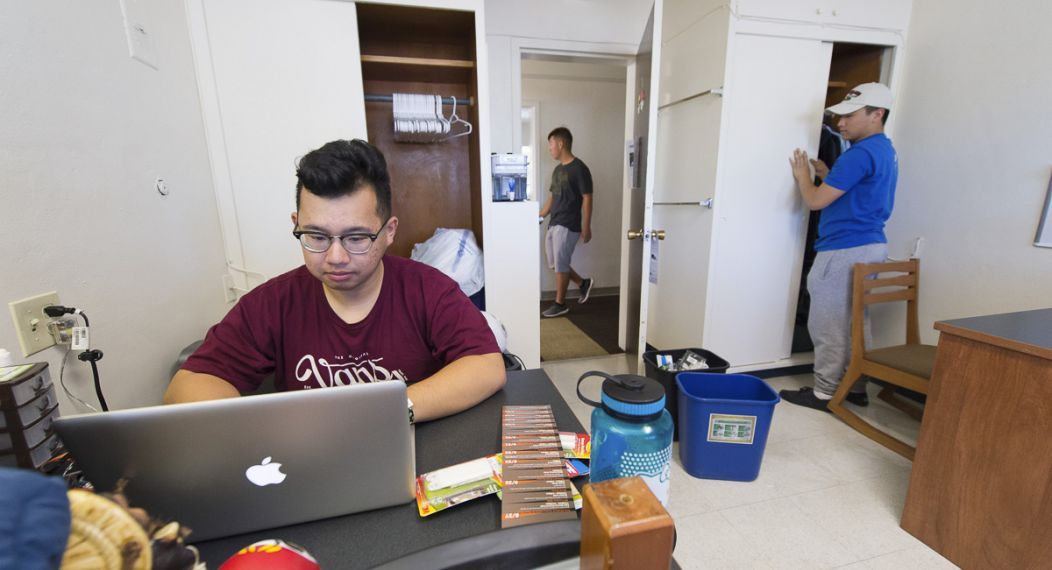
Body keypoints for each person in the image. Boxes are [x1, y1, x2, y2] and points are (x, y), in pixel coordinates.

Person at [164, 139, 507, 422]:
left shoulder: (428, 290)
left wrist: (382, 414)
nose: (336, 257)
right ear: (297, 222)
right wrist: (264, 430)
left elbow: (486, 366)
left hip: (413, 455)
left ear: (388, 232)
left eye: (356, 238)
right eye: (316, 236)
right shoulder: (272, 303)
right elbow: (188, 384)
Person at [781, 82, 898, 411]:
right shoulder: (884, 150)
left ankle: (824, 392)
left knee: (827, 322)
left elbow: (816, 201)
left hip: (844, 248)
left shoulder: (859, 155)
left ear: (877, 114)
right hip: (872, 245)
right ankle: (856, 386)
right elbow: (859, 196)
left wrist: (804, 175)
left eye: (850, 116)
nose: (840, 123)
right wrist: (829, 173)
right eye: (839, 117)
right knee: (854, 321)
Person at [538, 127, 594, 318]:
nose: (549, 148)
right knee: (555, 263)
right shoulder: (557, 170)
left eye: (551, 144)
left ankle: (560, 303)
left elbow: (587, 198)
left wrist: (586, 226)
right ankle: (583, 283)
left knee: (561, 264)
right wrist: (540, 216)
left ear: (561, 144)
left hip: (569, 223)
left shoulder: (580, 169)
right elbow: (553, 197)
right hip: (554, 222)